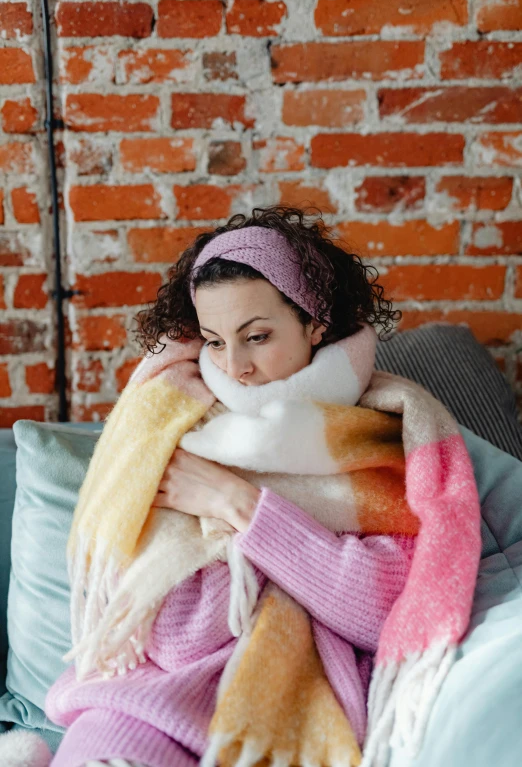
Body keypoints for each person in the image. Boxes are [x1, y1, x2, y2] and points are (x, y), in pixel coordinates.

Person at [45, 205, 417, 767]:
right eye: (215, 341)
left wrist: (236, 504)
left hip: (292, 707)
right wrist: (305, 559)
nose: (235, 366)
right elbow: (173, 636)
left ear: (315, 323)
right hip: (137, 705)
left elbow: (379, 608)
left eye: (258, 336)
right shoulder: (178, 429)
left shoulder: (378, 439)